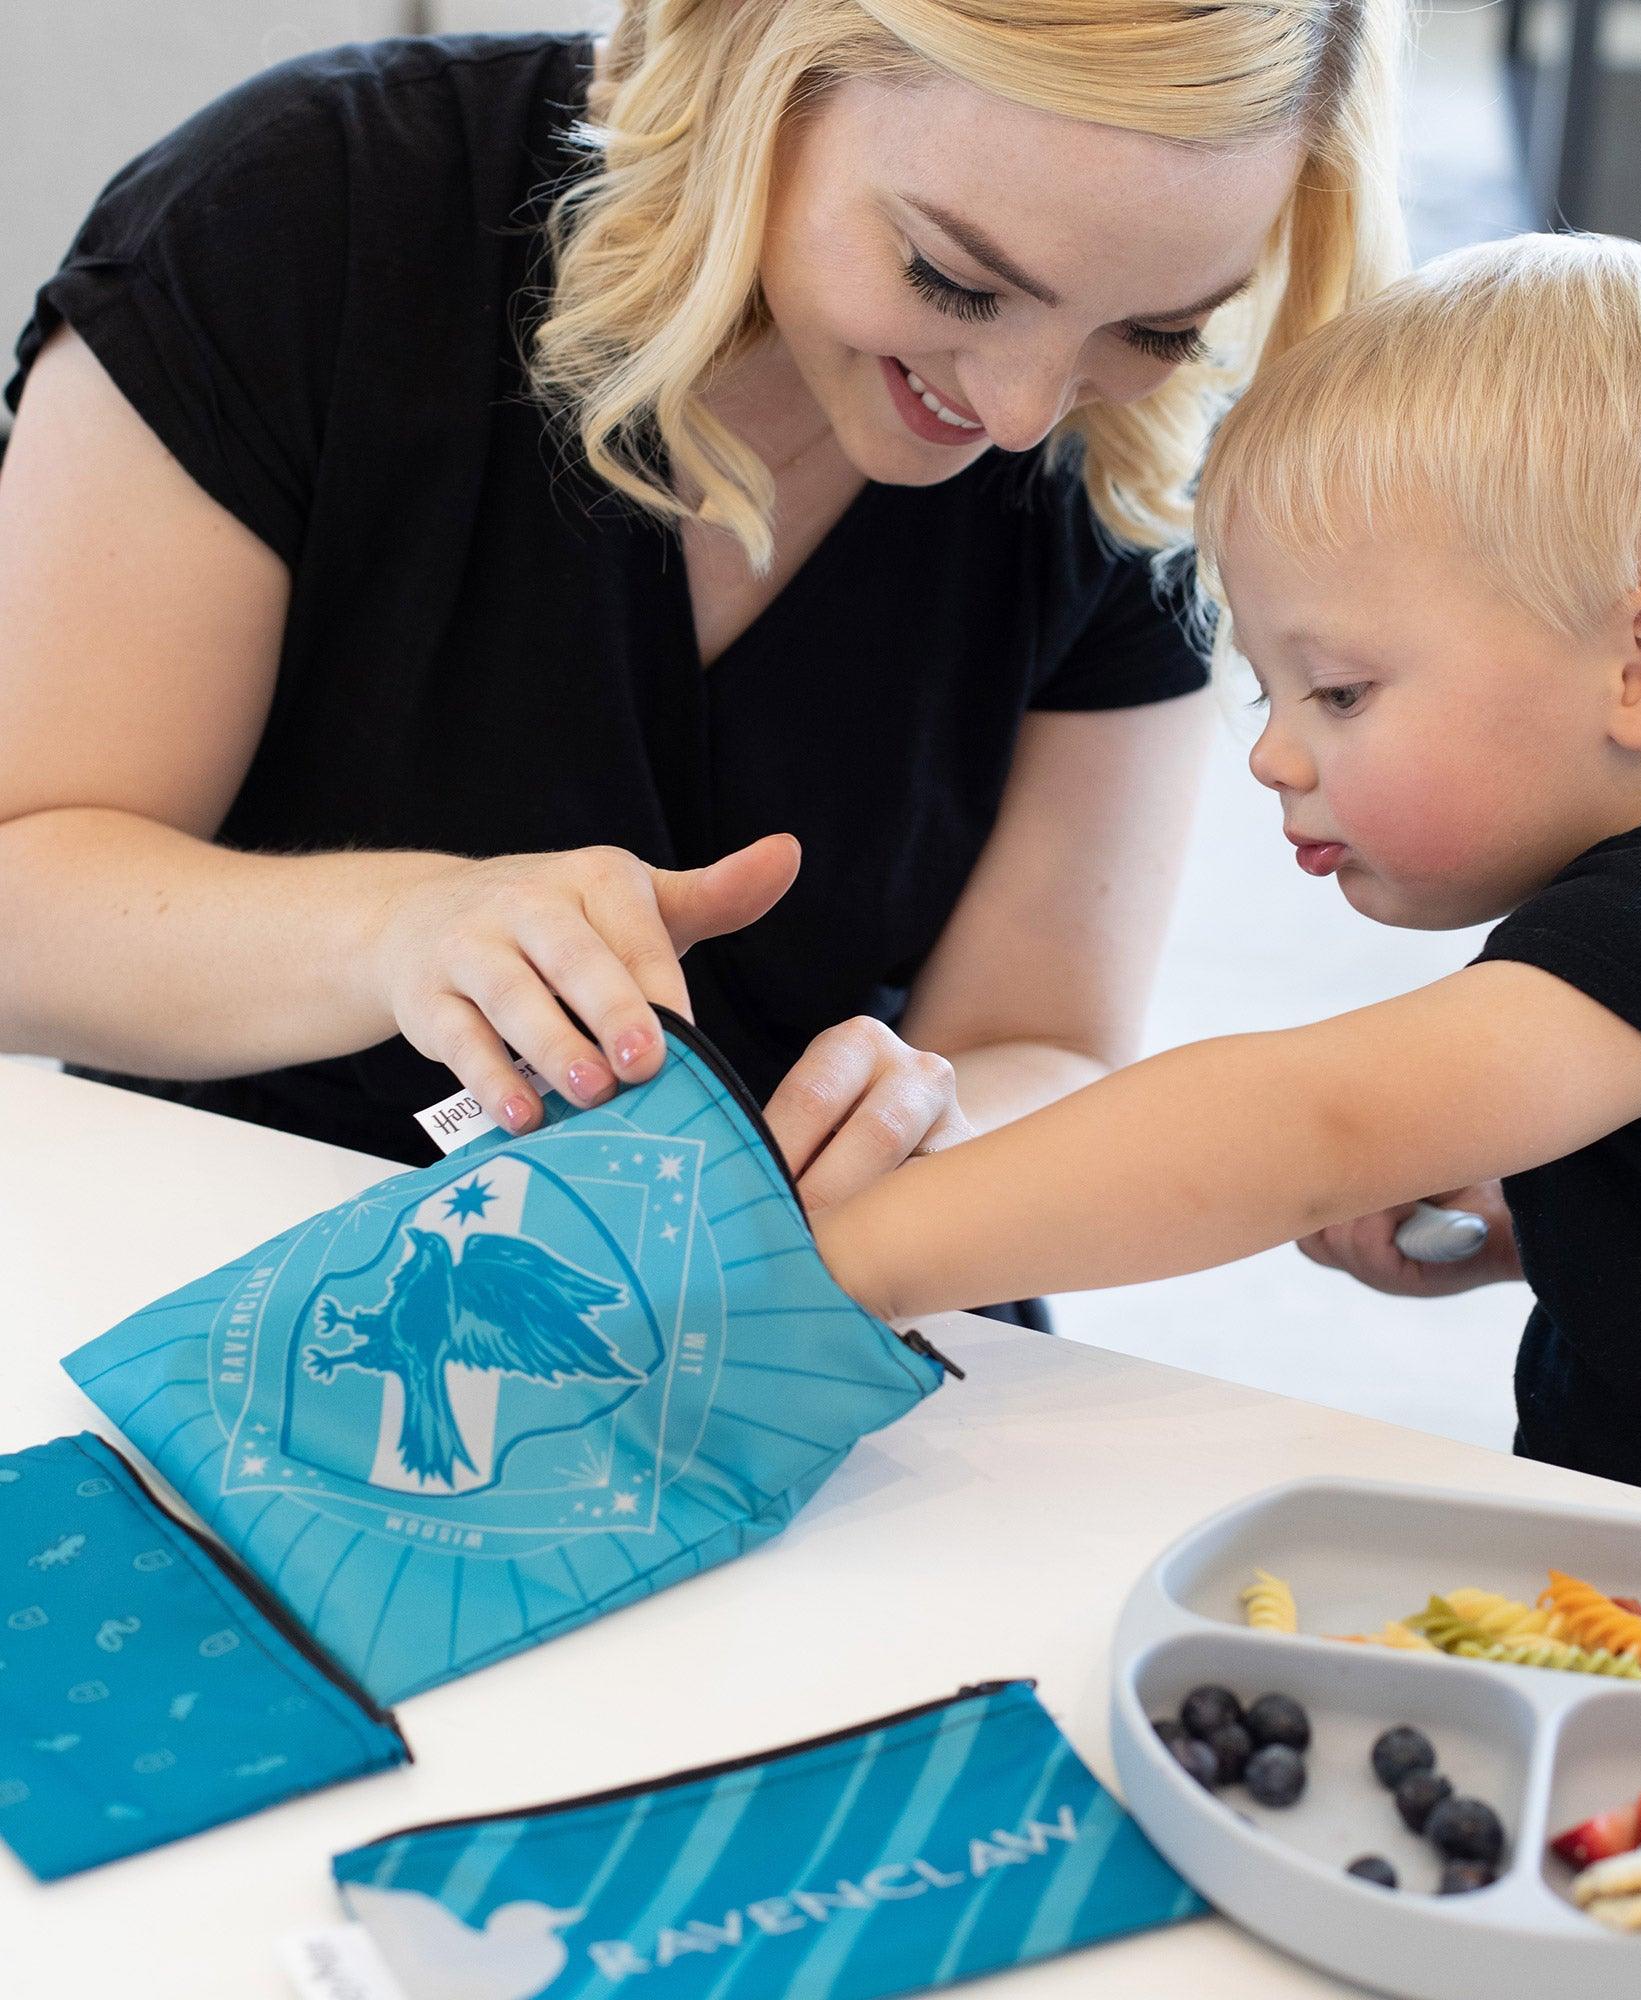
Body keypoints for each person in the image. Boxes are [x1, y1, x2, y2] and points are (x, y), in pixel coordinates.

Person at [0, 2, 1404, 1301]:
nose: (1029, 409)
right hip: (221, 1285)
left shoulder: (1121, 457)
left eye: (1159, 325)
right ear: (760, 70)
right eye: (956, 278)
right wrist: (395, 933)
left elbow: (1052, 1038)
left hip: (794, 1336)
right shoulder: (313, 214)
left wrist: (939, 1119)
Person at [816, 232, 1641, 1573]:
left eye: (1338, 691)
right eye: (1268, 694)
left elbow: (1306, 1122)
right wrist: (1566, 1231)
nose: (1271, 752)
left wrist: (850, 1262)